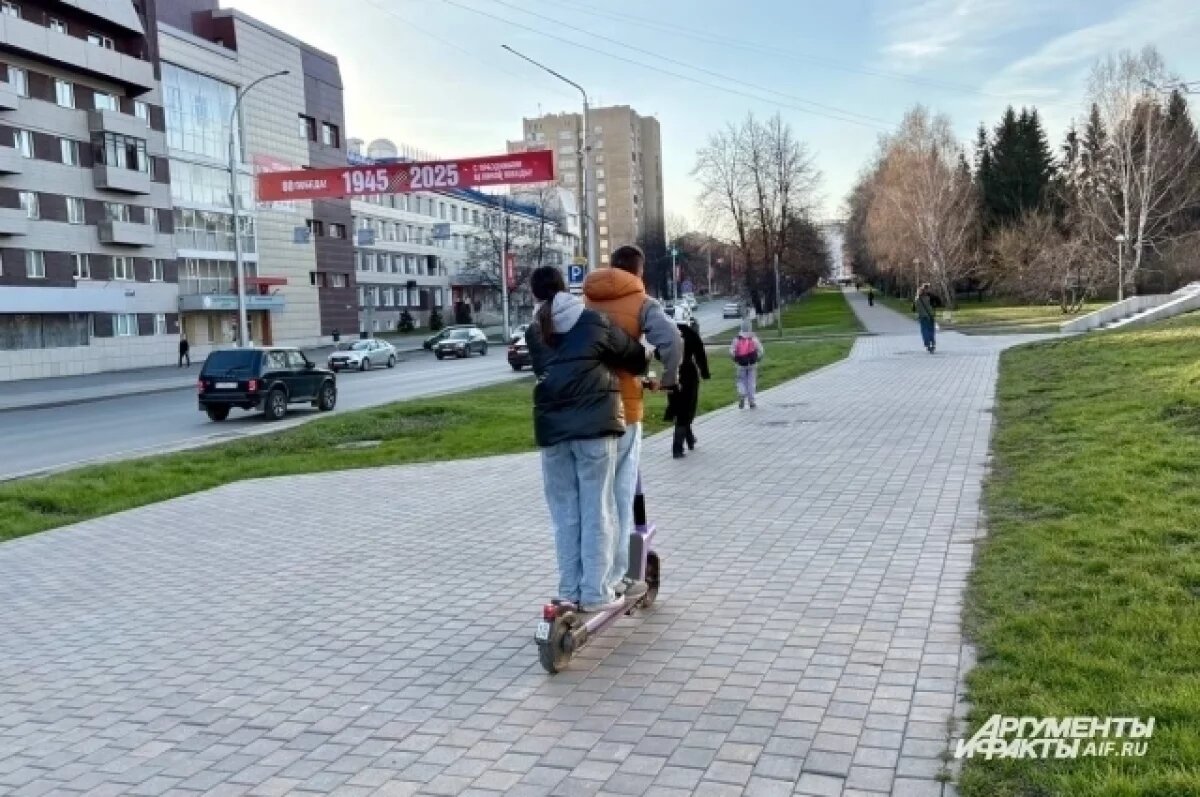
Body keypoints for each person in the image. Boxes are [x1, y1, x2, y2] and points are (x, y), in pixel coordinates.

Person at [526, 266, 649, 613]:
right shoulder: (594, 321)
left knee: (565, 514)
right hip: (596, 428)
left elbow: (545, 371)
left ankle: (569, 589)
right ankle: (595, 592)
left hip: (552, 433)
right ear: (567, 289)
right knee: (598, 509)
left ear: (535, 295)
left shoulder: (534, 332)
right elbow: (635, 358)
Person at [583, 245, 682, 596]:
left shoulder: (585, 299)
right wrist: (669, 377)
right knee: (622, 493)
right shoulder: (642, 302)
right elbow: (671, 340)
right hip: (624, 410)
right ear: (638, 273)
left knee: (593, 497)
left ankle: (589, 576)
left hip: (586, 409)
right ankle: (620, 575)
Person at [664, 321, 709, 459]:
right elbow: (700, 353)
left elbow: (658, 353)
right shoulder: (690, 333)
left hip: (671, 373)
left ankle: (689, 439)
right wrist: (704, 372)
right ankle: (677, 448)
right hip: (688, 374)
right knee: (686, 409)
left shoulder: (667, 332)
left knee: (679, 408)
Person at [730, 319, 764, 409]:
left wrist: (735, 359)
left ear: (741, 327)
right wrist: (758, 358)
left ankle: (742, 394)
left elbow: (732, 352)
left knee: (741, 381)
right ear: (750, 327)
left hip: (741, 364)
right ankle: (751, 401)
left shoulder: (737, 339)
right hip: (752, 364)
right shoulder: (753, 338)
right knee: (751, 382)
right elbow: (761, 351)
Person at [915, 283, 937, 353]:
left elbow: (914, 309)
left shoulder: (916, 300)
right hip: (930, 316)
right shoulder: (928, 298)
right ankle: (932, 342)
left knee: (924, 331)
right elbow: (931, 307)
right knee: (931, 330)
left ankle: (927, 344)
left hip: (923, 317)